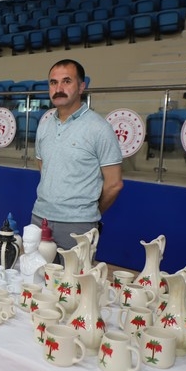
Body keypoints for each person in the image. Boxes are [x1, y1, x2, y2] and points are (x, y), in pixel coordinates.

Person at [30, 59, 123, 251]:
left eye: (66, 81)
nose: (59, 88)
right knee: (36, 278)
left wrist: (87, 213)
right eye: (53, 83)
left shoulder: (99, 128)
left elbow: (114, 184)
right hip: (40, 219)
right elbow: (44, 167)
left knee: (74, 281)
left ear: (81, 87)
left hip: (78, 226)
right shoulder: (44, 125)